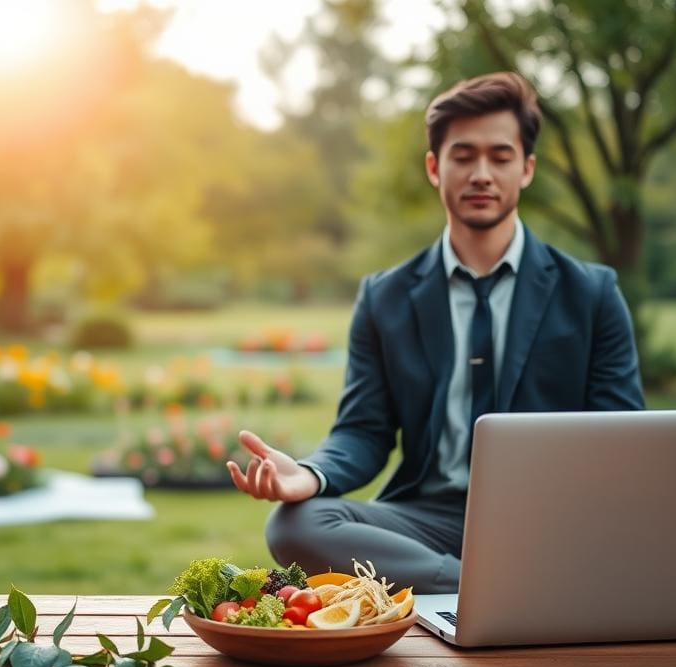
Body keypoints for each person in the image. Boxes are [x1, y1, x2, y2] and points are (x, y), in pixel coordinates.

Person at [226, 71, 645, 593]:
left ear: (527, 168)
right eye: (463, 156)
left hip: (551, 522)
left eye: (500, 156)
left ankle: (473, 587)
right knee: (297, 523)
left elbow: (623, 436)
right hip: (427, 523)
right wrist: (309, 475)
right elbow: (363, 431)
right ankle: (495, 593)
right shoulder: (386, 297)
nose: (482, 174)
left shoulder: (591, 293)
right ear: (434, 167)